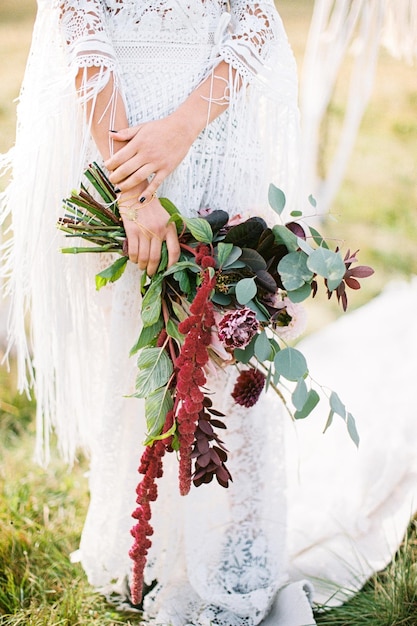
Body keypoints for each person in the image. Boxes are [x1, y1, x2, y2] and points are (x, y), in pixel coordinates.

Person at [1, 1, 312, 625]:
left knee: (231, 347)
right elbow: (81, 30)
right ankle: (152, 548)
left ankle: (237, 548)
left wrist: (185, 127)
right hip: (121, 138)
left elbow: (253, 20)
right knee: (142, 357)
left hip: (215, 134)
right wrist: (135, 189)